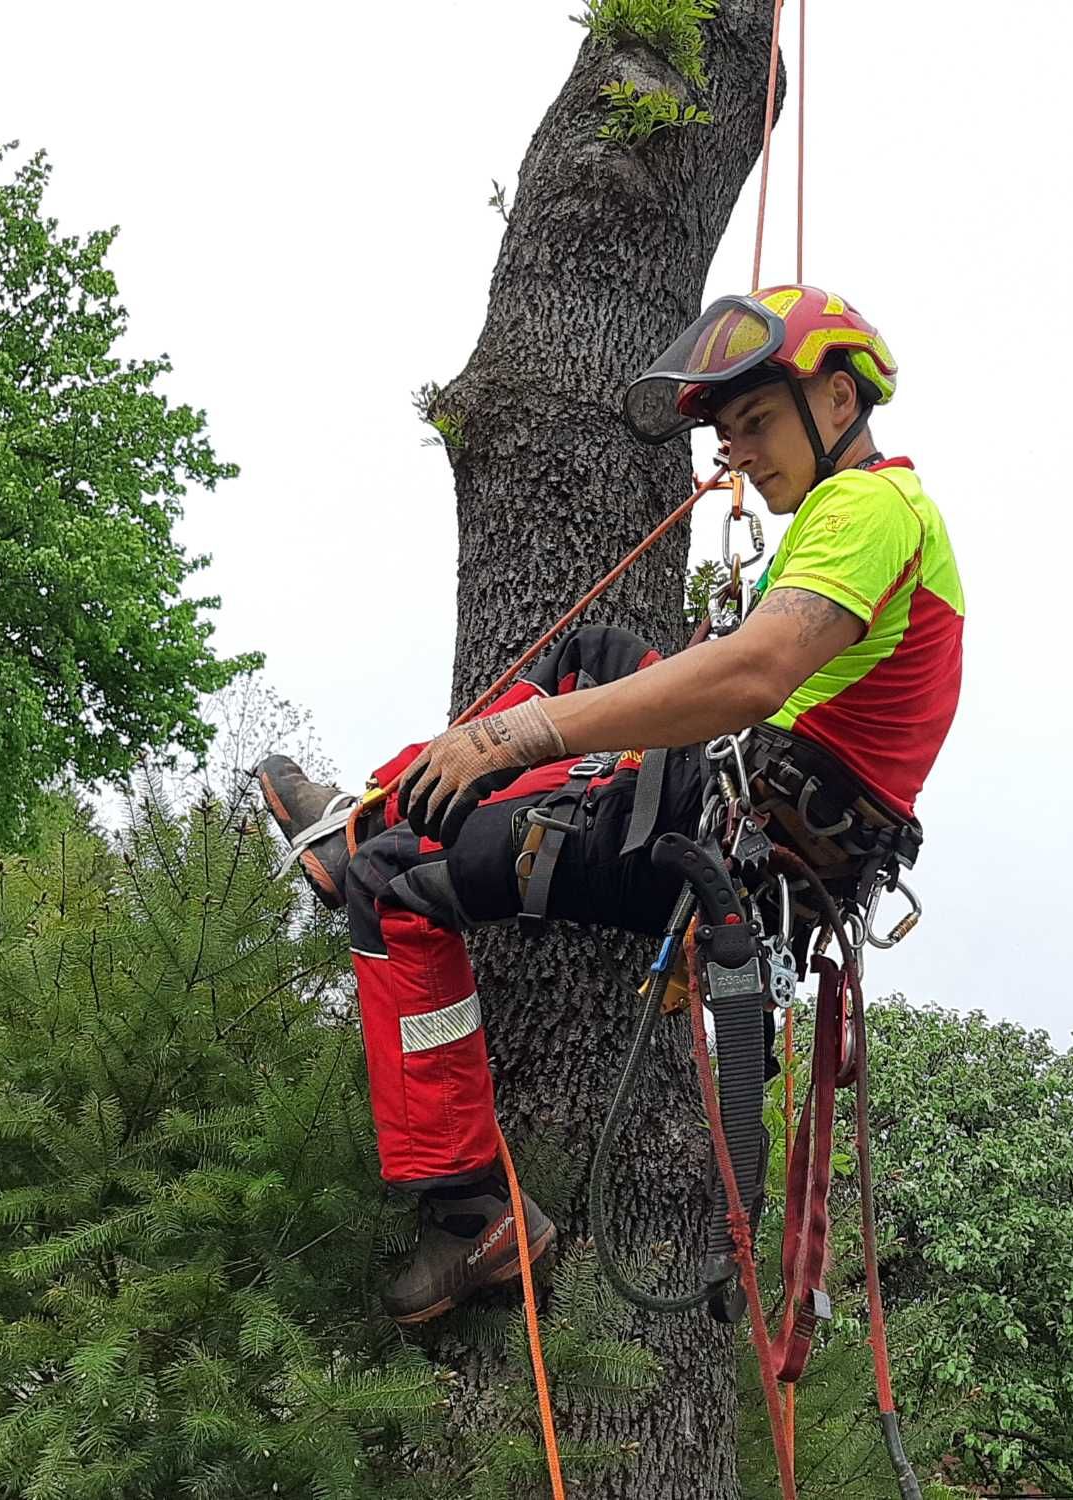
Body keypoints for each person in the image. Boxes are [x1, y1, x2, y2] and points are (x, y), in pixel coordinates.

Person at [256, 286, 965, 1322]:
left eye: (756, 423)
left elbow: (755, 671)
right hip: (740, 812)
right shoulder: (855, 515)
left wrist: (519, 735)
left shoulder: (868, 508)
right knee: (589, 660)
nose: (740, 455)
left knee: (392, 887)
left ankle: (472, 1213)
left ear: (839, 394)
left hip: (727, 830)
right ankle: (363, 813)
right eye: (726, 436)